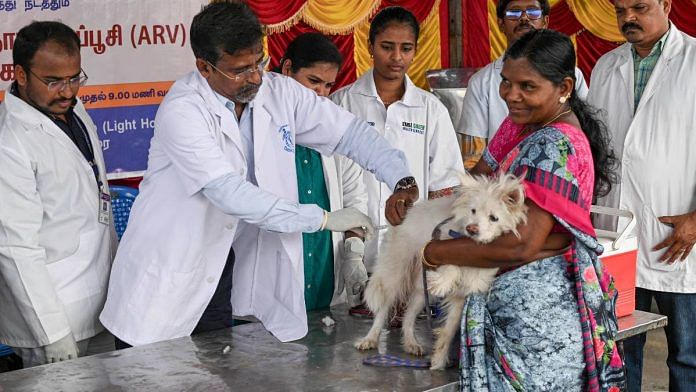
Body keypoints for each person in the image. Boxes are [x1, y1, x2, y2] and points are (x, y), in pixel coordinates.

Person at [99, 1, 418, 347]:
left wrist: (400, 178)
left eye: (258, 63)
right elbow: (228, 193)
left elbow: (348, 132)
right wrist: (323, 219)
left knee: (215, 370)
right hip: (166, 277)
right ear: (204, 67)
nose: (254, 77)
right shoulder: (183, 110)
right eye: (239, 70)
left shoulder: (277, 91)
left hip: (222, 276)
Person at [419, 30, 625, 390]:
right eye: (506, 83)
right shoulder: (521, 126)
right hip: (503, 304)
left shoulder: (554, 145)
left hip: (534, 326)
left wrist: (430, 251)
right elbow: (476, 185)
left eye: (527, 86)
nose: (512, 96)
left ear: (563, 87)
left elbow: (520, 245)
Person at [587, 1, 696, 390]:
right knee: (618, 352)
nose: (628, 17)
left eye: (640, 7)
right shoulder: (605, 66)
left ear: (667, 5)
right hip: (616, 237)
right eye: (620, 10)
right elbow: (595, 148)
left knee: (687, 358)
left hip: (679, 239)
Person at [331, 6, 463, 313]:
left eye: (406, 49)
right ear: (370, 47)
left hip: (409, 249)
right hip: (349, 243)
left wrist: (428, 250)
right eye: (387, 47)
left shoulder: (431, 109)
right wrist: (350, 249)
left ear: (416, 50)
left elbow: (445, 185)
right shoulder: (342, 103)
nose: (396, 58)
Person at [0, 21, 116, 367]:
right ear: (20, 74)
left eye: (74, 78)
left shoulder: (72, 109)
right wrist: (52, 332)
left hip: (102, 299)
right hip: (57, 311)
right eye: (53, 81)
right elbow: (14, 248)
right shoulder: (10, 141)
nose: (67, 91)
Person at [277, 32, 369, 310]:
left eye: (328, 85)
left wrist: (353, 254)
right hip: (276, 272)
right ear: (287, 69)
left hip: (324, 274)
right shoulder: (258, 124)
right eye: (313, 81)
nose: (320, 94)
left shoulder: (336, 125)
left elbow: (355, 201)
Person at [458, 0, 588, 169]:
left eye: (528, 86)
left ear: (564, 89)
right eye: (514, 13)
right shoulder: (507, 120)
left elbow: (586, 125)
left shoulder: (562, 140)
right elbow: (473, 164)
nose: (524, 18)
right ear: (500, 23)